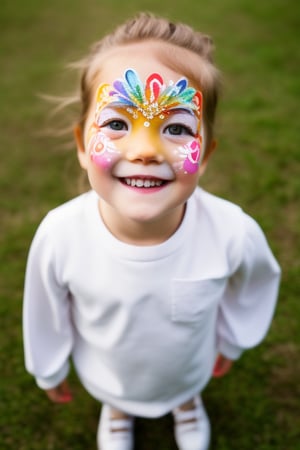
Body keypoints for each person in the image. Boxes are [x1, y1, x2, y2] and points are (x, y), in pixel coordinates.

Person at [23, 12, 281, 450]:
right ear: (84, 145)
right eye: (118, 124)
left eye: (177, 128)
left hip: (188, 366)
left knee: (184, 384)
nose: (145, 151)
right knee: (116, 391)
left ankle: (186, 403)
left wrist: (235, 341)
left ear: (204, 156)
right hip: (109, 372)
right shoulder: (60, 235)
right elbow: (44, 310)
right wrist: (48, 368)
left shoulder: (232, 232)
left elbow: (258, 283)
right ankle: (118, 410)